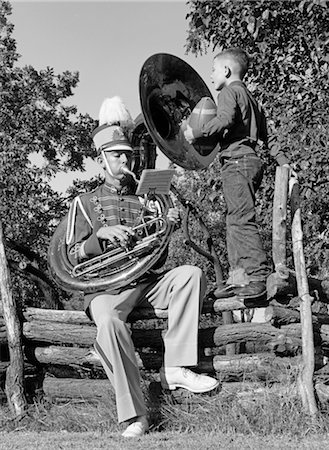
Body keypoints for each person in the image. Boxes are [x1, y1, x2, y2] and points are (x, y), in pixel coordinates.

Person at [66, 97, 219, 438]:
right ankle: (135, 415)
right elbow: (72, 256)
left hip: (145, 281)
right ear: (100, 160)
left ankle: (176, 366)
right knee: (108, 320)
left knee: (191, 276)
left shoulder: (145, 197)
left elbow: (158, 256)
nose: (125, 159)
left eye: (128, 154)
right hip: (107, 288)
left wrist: (167, 224)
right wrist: (100, 235)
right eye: (117, 155)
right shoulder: (84, 202)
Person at [184, 48, 294, 300]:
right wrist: (283, 163)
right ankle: (238, 279)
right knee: (234, 219)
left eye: (213, 70)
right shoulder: (251, 99)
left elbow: (224, 119)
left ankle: (256, 276)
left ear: (225, 70)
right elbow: (270, 137)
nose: (210, 75)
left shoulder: (229, 92)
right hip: (250, 161)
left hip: (237, 161)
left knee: (241, 218)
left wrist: (197, 133)